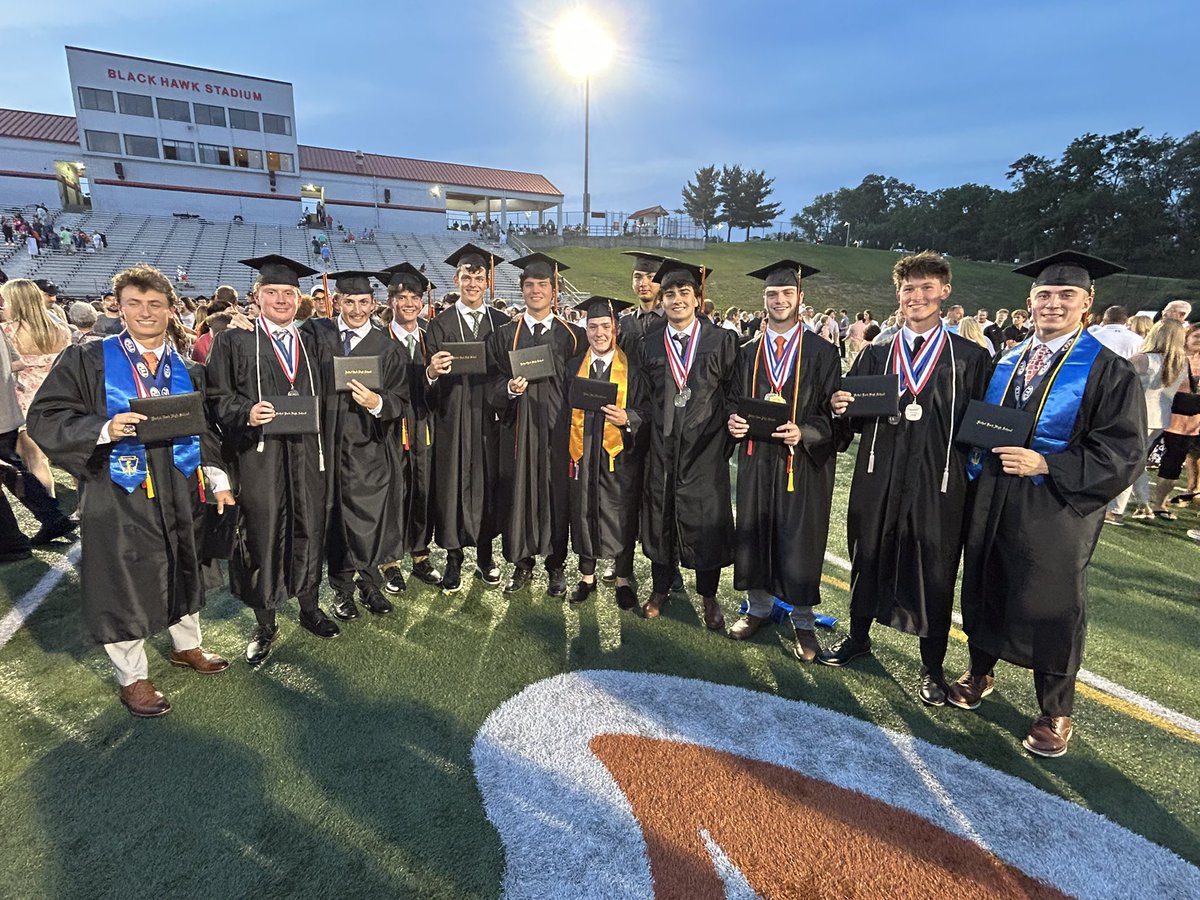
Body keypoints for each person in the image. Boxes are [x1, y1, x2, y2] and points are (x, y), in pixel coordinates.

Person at [953, 251, 1145, 758]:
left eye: (1066, 296)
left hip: (1057, 507)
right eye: (1044, 295)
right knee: (988, 580)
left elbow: (1124, 453)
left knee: (1053, 601)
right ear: (1030, 301)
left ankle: (1055, 709)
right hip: (995, 495)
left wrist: (1047, 466)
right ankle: (980, 672)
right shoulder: (1008, 361)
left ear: (1088, 302)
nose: (1053, 304)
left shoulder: (1108, 370)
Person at [26, 264, 235, 717]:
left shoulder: (188, 369)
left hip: (181, 486)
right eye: (135, 304)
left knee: (185, 562)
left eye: (155, 304)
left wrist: (217, 478)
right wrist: (103, 428)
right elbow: (44, 417)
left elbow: (206, 431)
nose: (145, 312)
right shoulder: (87, 360)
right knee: (123, 579)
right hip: (119, 487)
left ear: (170, 309)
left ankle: (186, 646)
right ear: (117, 308)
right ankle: (133, 677)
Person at [824, 252, 990, 706]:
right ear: (898, 295)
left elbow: (983, 431)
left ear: (945, 291)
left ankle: (932, 667)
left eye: (926, 288)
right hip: (878, 478)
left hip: (939, 484)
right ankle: (858, 638)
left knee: (934, 569)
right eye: (908, 289)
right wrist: (840, 409)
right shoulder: (875, 353)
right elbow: (849, 424)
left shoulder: (970, 358)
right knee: (867, 553)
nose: (916, 296)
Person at [206, 255, 339, 665]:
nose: (281, 300)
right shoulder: (234, 341)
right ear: (256, 297)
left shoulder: (313, 339)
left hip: (306, 454)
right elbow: (215, 399)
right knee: (261, 534)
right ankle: (264, 623)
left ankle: (310, 608)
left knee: (309, 528)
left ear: (298, 299)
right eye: (272, 292)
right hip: (258, 456)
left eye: (288, 293)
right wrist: (245, 413)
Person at [726, 260, 841, 661]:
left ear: (800, 299)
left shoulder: (823, 353)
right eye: (772, 295)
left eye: (786, 294)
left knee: (799, 538)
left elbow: (834, 412)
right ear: (764, 300)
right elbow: (731, 401)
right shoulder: (747, 353)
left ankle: (804, 621)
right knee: (755, 530)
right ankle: (757, 608)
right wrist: (733, 422)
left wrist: (805, 432)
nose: (779, 300)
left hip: (800, 463)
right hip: (758, 459)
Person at [635, 258, 738, 631]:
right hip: (661, 448)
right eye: (670, 294)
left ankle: (709, 597)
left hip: (706, 450)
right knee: (661, 515)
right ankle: (660, 587)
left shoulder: (721, 341)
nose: (676, 300)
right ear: (661, 300)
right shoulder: (648, 343)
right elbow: (643, 399)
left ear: (697, 298)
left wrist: (726, 431)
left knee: (705, 521)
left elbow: (733, 394)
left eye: (684, 293)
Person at [306, 271, 408, 621]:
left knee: (365, 519)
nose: (356, 309)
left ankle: (369, 583)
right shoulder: (316, 335)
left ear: (374, 304)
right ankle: (342, 591)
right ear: (337, 301)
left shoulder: (387, 347)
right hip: (324, 444)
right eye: (349, 301)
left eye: (363, 302)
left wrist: (377, 403)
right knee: (334, 520)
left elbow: (400, 400)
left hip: (367, 447)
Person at [486, 253, 584, 596]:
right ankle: (522, 565)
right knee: (519, 494)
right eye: (529, 285)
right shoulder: (504, 334)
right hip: (518, 431)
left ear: (554, 290)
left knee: (557, 496)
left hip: (558, 431)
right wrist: (508, 389)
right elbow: (491, 382)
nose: (535, 290)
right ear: (522, 288)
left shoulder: (573, 336)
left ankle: (556, 566)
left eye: (542, 284)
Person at [423, 243, 508, 592]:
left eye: (479, 276)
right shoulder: (439, 324)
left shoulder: (502, 324)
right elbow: (425, 381)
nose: (472, 282)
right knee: (452, 486)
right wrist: (431, 370)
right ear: (455, 279)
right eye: (466, 276)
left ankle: (487, 555)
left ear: (488, 282)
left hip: (490, 419)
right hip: (452, 418)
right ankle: (454, 558)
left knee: (488, 485)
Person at [564, 297, 643, 608]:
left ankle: (623, 578)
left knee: (619, 513)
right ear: (586, 330)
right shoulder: (574, 367)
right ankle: (587, 576)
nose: (599, 333)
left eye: (605, 327)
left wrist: (629, 418)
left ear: (617, 330)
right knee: (583, 508)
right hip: (582, 453)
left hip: (618, 455)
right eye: (593, 326)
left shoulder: (632, 370)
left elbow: (647, 411)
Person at [377, 263, 442, 592]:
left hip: (424, 425)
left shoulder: (432, 337)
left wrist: (431, 375)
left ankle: (419, 553)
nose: (409, 303)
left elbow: (440, 389)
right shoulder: (378, 340)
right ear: (390, 301)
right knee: (393, 492)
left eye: (414, 297)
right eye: (401, 297)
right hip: (389, 428)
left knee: (422, 488)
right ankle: (389, 560)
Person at [0, 320, 75, 547]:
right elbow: (15, 363)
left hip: (7, 410)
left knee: (14, 468)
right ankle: (51, 517)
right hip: (8, 409)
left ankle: (12, 540)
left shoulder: (13, 327)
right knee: (14, 468)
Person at [0, 278, 73, 500]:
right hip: (62, 395)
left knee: (37, 460)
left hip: (26, 399)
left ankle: (53, 514)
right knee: (72, 457)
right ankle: (83, 508)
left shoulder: (7, 330)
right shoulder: (61, 328)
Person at [1108, 320, 1186, 523]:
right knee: (1137, 461)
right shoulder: (1181, 362)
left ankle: (1116, 511)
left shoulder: (1145, 359)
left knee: (1127, 462)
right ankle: (1143, 504)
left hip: (1136, 416)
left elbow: (1113, 379)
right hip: (1159, 418)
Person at [1150, 324, 1200, 519]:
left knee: (1172, 464)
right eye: (1197, 336)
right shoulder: (1174, 358)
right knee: (1137, 456)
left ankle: (1160, 504)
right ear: (1186, 338)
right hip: (1160, 416)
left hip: (1189, 424)